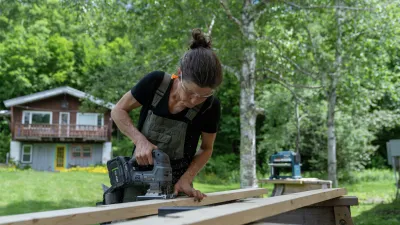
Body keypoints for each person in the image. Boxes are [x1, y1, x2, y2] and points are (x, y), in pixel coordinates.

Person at [111, 28, 223, 202]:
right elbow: (118, 110)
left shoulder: (211, 106)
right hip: (138, 176)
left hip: (177, 184)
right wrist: (140, 141)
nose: (194, 101)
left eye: (203, 96)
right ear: (178, 74)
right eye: (191, 92)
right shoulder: (156, 83)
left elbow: (206, 148)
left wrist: (187, 178)